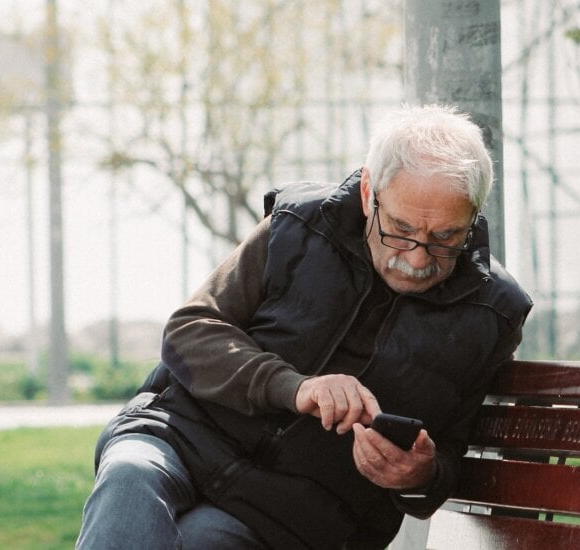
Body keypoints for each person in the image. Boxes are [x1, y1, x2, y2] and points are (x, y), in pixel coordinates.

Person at [76, 104, 532, 549]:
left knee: (203, 541)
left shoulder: (494, 313)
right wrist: (294, 387)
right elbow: (192, 331)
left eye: (446, 237)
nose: (416, 258)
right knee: (129, 476)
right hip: (180, 437)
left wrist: (420, 476)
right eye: (400, 228)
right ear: (369, 190)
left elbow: (449, 456)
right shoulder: (296, 224)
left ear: (473, 216)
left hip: (288, 514)